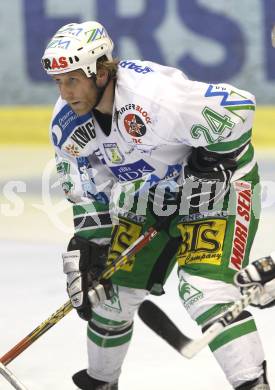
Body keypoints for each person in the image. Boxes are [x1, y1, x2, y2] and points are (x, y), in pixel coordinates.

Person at [41, 21, 270, 390]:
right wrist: (92, 251)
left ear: (101, 72)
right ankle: (101, 383)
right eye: (58, 82)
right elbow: (88, 192)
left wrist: (212, 159)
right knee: (110, 295)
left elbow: (239, 109)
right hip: (151, 191)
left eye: (72, 80)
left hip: (215, 189)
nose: (65, 93)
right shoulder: (66, 126)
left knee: (204, 290)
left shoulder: (156, 98)